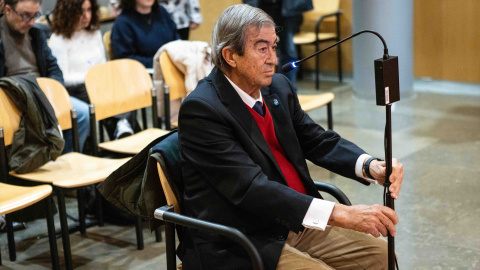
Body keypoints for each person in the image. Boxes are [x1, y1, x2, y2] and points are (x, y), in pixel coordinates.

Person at [177, 4, 404, 270]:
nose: (273, 58)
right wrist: (341, 213)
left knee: (381, 255)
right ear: (230, 55)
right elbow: (252, 189)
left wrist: (369, 166)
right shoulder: (202, 110)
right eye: (262, 49)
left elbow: (315, 139)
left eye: (274, 46)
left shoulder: (277, 87)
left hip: (295, 220)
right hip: (241, 236)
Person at [0, 0, 90, 153]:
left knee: (82, 114)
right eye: (25, 15)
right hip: (12, 98)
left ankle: (63, 159)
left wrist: (52, 91)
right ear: (8, 10)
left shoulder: (36, 34)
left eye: (35, 15)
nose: (31, 22)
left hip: (42, 93)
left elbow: (54, 68)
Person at [49, 0, 133, 139]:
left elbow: (102, 65)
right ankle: (122, 126)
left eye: (88, 10)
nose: (86, 15)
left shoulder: (94, 33)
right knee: (100, 93)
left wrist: (98, 78)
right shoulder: (58, 39)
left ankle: (123, 129)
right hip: (75, 88)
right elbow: (60, 78)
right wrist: (89, 77)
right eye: (80, 11)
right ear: (68, 12)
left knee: (122, 87)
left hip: (97, 84)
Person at [244, 0, 311, 86]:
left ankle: (289, 89)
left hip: (287, 8)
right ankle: (263, 88)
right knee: (260, 51)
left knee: (288, 51)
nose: (274, 61)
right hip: (262, 6)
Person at [111, 0, 178, 69]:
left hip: (171, 67)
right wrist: (160, 62)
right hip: (144, 73)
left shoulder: (162, 12)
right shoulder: (122, 23)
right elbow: (126, 59)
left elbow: (176, 39)